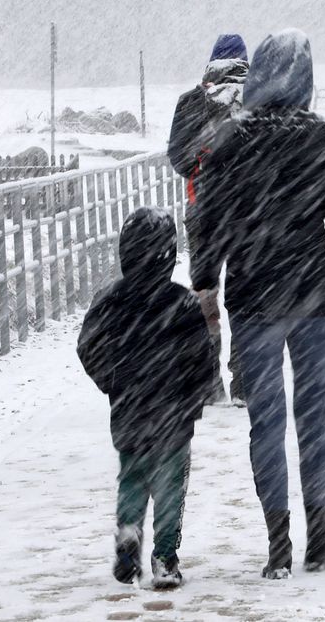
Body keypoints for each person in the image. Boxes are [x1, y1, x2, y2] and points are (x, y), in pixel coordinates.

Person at [191, 29, 325, 580]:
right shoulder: (322, 137)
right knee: (313, 417)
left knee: (265, 422)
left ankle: (278, 543)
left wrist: (205, 285)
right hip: (313, 297)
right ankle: (317, 535)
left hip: (252, 301)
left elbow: (210, 224)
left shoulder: (229, 139)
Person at [77, 207, 218, 590]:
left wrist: (113, 381)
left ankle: (128, 531)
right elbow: (202, 357)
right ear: (170, 254)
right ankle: (165, 557)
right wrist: (197, 395)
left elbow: (87, 346)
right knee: (171, 486)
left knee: (133, 478)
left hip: (129, 411)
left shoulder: (109, 300)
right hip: (174, 414)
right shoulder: (183, 303)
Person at [166, 34, 248, 404]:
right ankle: (244, 377)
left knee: (205, 293)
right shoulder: (258, 97)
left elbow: (177, 156)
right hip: (252, 212)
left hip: (203, 210)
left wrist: (201, 168)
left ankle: (210, 379)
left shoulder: (191, 102)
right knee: (248, 293)